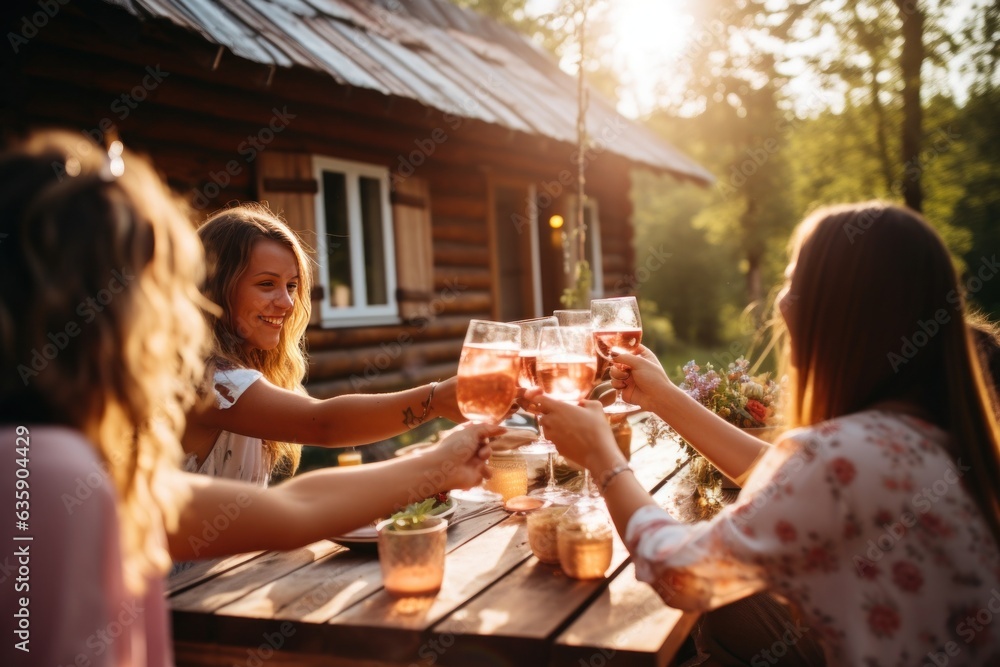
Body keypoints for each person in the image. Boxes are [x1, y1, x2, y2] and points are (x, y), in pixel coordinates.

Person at [0, 130, 497, 667]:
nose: (169, 310)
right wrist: (438, 414)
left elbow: (291, 507)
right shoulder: (54, 468)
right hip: (199, 604)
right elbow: (322, 431)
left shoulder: (70, 460)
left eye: (292, 287)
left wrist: (436, 463)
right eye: (157, 286)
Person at [531, 202, 1000, 666]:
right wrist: (663, 398)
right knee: (733, 613)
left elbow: (682, 576)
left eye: (795, 279)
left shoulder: (842, 460)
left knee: (720, 611)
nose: (780, 300)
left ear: (839, 312)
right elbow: (788, 476)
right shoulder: (929, 436)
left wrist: (602, 456)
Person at [182, 203, 469, 484]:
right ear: (214, 289)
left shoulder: (241, 371)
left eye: (292, 285)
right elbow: (324, 424)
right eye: (267, 284)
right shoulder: (208, 382)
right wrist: (436, 400)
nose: (287, 303)